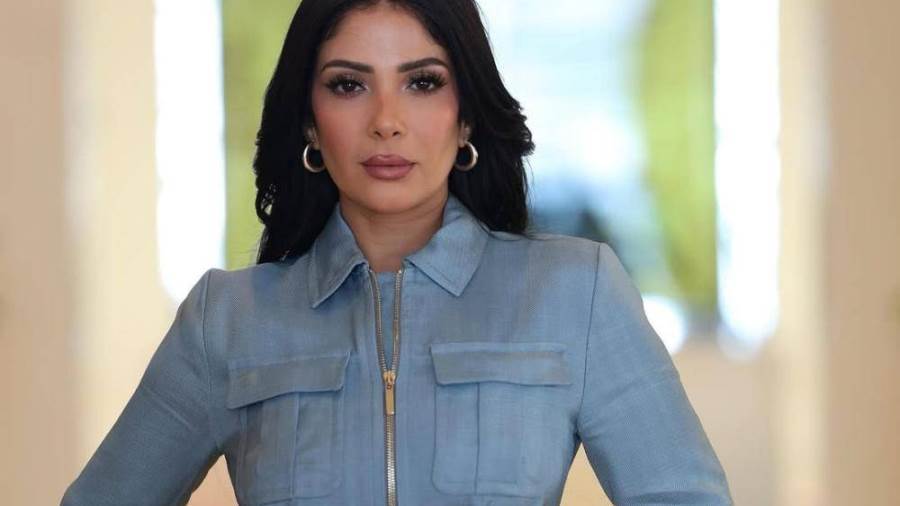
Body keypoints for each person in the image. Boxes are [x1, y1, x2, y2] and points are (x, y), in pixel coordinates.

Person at [62, 0, 733, 504]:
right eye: (348, 85)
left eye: (423, 82)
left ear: (466, 116)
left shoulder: (575, 291)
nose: (386, 120)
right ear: (309, 122)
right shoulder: (227, 320)